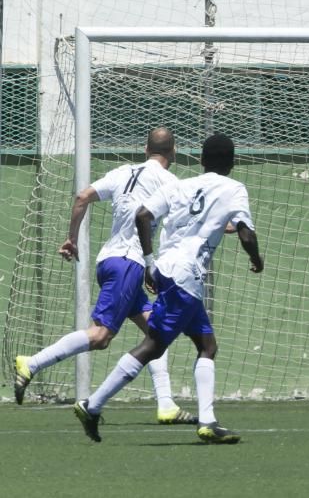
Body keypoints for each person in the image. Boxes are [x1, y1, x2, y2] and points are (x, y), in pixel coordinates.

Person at [72, 133, 264, 443]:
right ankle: (92, 406)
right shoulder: (234, 189)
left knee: (207, 345)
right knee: (153, 346)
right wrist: (256, 258)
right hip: (186, 277)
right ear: (232, 163)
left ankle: (208, 422)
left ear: (201, 161)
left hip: (169, 270)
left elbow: (143, 215)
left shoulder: (180, 184)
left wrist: (149, 261)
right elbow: (245, 232)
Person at [14, 127, 196, 425]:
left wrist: (71, 239)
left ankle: (166, 404)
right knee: (100, 336)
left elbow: (82, 197)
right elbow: (194, 214)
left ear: (145, 149)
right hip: (128, 264)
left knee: (157, 333)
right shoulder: (169, 182)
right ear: (173, 151)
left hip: (109, 261)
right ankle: (31, 363)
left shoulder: (122, 172)